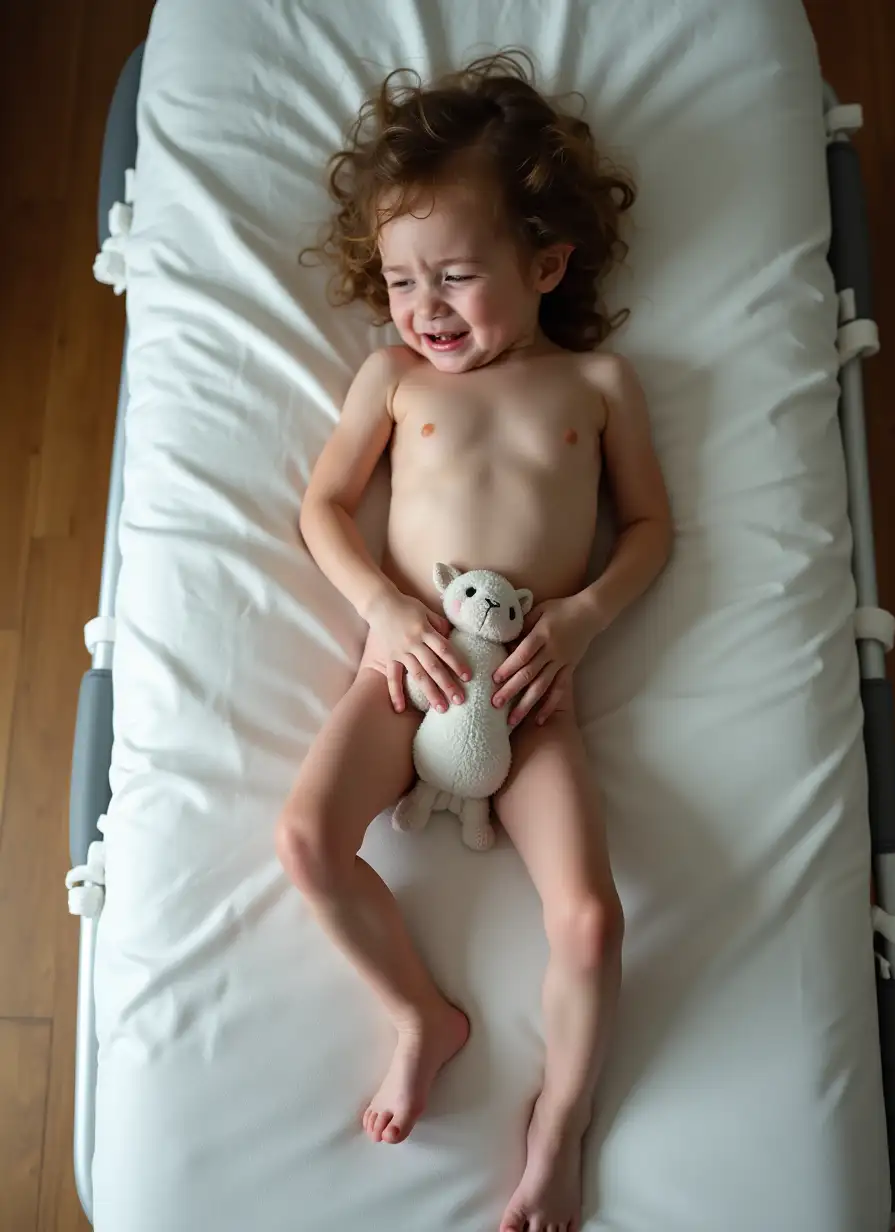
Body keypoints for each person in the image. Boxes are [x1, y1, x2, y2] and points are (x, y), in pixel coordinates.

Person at [276, 51, 672, 1232]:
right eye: (402, 280)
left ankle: (559, 1125)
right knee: (304, 838)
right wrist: (382, 611)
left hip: (534, 688)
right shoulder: (392, 377)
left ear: (545, 263)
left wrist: (586, 617)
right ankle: (420, 1017)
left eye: (456, 274)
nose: (425, 308)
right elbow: (322, 507)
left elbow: (651, 527)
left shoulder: (597, 382)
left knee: (593, 916)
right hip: (411, 668)